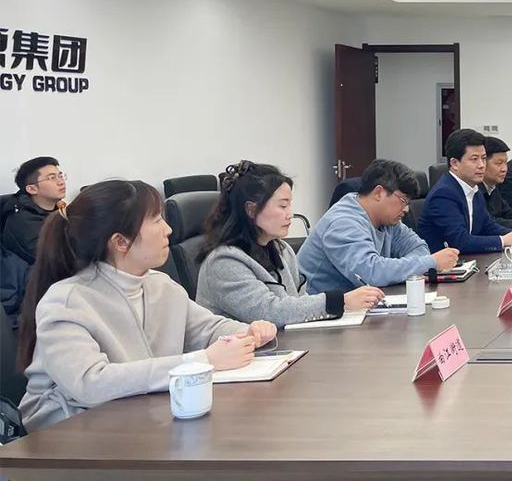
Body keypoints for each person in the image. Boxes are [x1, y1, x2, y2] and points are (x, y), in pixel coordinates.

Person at [16, 180, 277, 432]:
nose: (168, 230)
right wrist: (203, 360)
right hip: (69, 433)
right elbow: (90, 384)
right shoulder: (66, 301)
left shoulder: (160, 285)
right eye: (156, 220)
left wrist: (248, 332)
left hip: (139, 416)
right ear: (120, 242)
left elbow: (208, 329)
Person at [196, 161, 383, 328]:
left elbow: (299, 301)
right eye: (283, 206)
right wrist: (341, 301)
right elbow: (269, 312)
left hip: (283, 346)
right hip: (242, 354)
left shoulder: (282, 250)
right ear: (251, 210)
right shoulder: (223, 262)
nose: (290, 214)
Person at [298, 159, 458, 294]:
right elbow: (371, 273)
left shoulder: (388, 220)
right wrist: (429, 263)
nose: (406, 209)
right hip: (322, 313)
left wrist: (398, 270)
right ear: (378, 193)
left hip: (361, 305)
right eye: (403, 201)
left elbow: (419, 247)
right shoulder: (343, 223)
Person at [418, 129, 512, 254]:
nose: (481, 165)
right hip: (442, 264)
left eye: (484, 158)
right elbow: (460, 242)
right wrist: (502, 240)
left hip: (467, 261)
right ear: (454, 163)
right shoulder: (443, 194)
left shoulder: (474, 190)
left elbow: (487, 225)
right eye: (474, 159)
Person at [1, 157, 68, 323]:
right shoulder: (21, 222)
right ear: (31, 188)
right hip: (27, 302)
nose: (60, 181)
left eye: (60, 175)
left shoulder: (57, 211)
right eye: (51, 178)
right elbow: (54, 259)